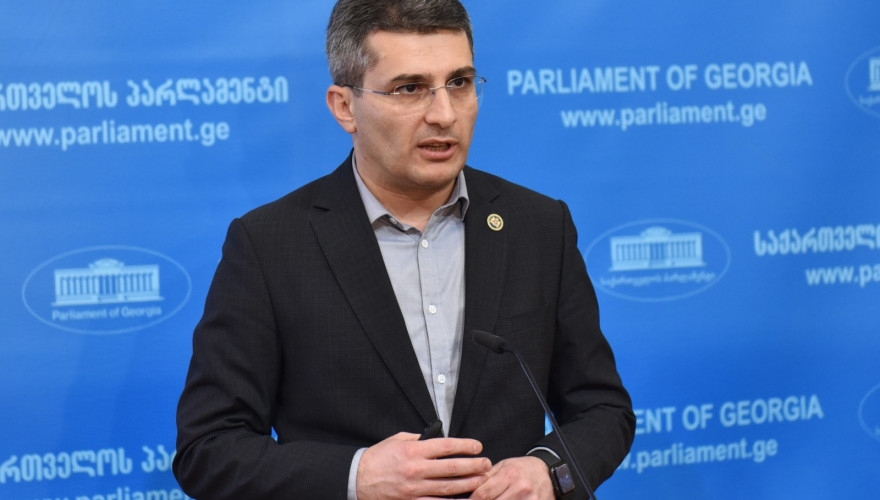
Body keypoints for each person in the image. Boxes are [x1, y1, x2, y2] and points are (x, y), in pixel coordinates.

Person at [173, 1, 635, 498]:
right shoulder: (270, 245)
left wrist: (547, 470)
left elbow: (603, 409)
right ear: (345, 107)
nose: (444, 114)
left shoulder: (539, 226)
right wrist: (357, 476)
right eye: (409, 88)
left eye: (459, 82)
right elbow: (208, 448)